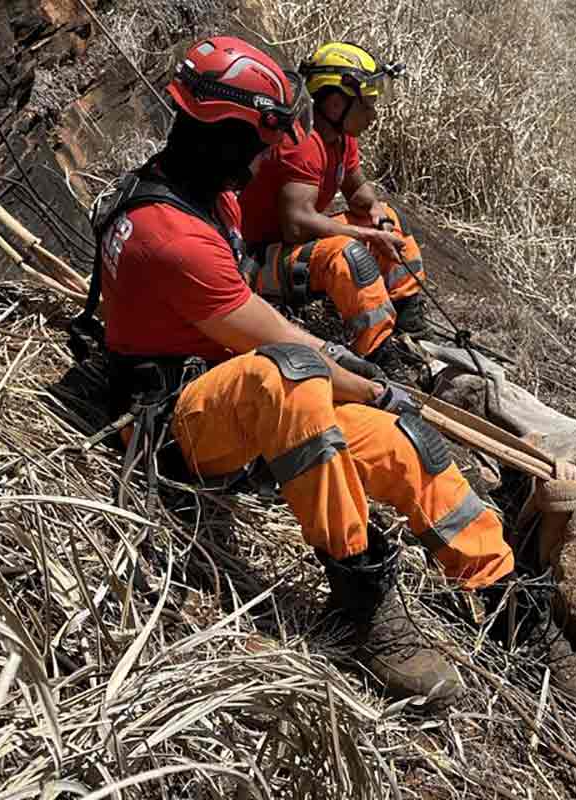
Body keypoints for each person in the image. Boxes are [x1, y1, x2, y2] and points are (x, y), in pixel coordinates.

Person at [77, 36, 514, 709]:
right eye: (259, 143)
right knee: (292, 376)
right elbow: (285, 346)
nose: (264, 160)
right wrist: (374, 384)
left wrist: (378, 401)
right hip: (173, 428)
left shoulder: (204, 197)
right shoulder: (172, 234)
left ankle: (506, 598)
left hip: (231, 388)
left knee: (404, 442)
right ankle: (361, 604)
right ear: (226, 135)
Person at [237, 41, 430, 358]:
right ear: (337, 104)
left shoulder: (341, 138)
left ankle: (408, 315)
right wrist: (367, 234)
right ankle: (380, 352)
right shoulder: (300, 143)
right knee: (347, 254)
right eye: (367, 104)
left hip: (291, 248)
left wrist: (377, 216)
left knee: (391, 221)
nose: (374, 114)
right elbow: (296, 228)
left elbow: (357, 192)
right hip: (258, 261)